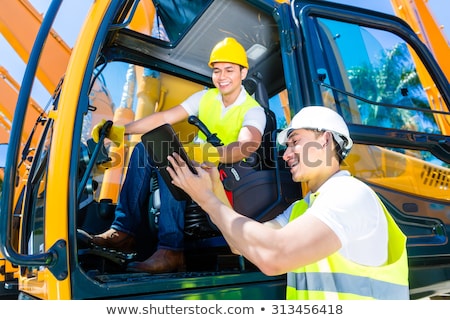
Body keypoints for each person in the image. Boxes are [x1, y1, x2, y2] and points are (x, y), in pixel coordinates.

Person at [166, 106, 410, 300]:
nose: (286, 154)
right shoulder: (303, 208)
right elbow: (241, 245)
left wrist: (205, 199)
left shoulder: (350, 195)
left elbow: (274, 257)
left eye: (295, 142)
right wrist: (215, 189)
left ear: (325, 140)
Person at [84, 37, 267, 274]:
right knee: (147, 147)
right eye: (217, 70)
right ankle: (124, 231)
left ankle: (172, 250)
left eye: (229, 70)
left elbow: (247, 145)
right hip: (198, 165)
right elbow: (163, 118)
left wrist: (211, 153)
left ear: (243, 72)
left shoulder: (252, 110)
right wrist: (122, 130)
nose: (221, 77)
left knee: (173, 158)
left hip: (225, 178)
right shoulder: (206, 98)